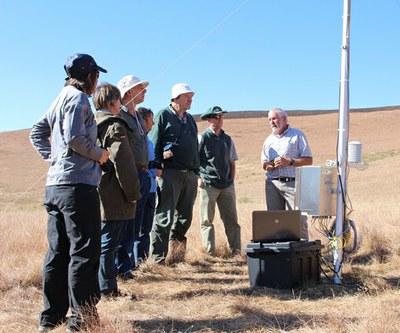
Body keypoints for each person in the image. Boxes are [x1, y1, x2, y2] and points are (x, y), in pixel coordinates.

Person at [29, 53, 109, 332]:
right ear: (89, 77)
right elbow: (76, 138)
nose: (97, 83)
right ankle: (82, 319)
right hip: (78, 187)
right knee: (85, 252)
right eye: (96, 77)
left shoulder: (58, 98)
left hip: (55, 187)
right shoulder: (78, 99)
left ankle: (51, 317)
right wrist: (100, 154)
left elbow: (36, 132)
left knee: (58, 252)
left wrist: (54, 158)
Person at [93, 83, 141, 298]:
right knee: (109, 243)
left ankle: (100, 286)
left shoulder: (90, 122)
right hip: (113, 191)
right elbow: (123, 162)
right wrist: (133, 193)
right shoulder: (115, 126)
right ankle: (107, 289)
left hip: (94, 188)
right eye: (119, 100)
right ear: (113, 101)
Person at [148, 83, 199, 265]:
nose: (190, 99)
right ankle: (158, 260)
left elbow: (194, 146)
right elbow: (154, 141)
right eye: (187, 96)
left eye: (191, 96)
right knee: (165, 216)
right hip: (170, 172)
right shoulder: (163, 115)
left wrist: (197, 171)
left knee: (185, 217)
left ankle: (177, 259)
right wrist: (156, 165)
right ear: (176, 98)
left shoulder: (190, 119)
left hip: (190, 174)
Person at [260, 107, 313, 239]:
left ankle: (303, 251)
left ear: (284, 119)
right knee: (275, 220)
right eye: (269, 120)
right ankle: (279, 254)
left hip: (292, 183)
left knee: (297, 219)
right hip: (272, 184)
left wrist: (289, 161)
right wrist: (268, 165)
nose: (272, 122)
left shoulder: (297, 135)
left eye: (274, 118)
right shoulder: (268, 140)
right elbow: (263, 162)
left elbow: (309, 160)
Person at [116, 75, 149, 278]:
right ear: (129, 92)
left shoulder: (136, 116)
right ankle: (120, 268)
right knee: (125, 222)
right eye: (140, 88)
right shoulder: (120, 116)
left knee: (136, 223)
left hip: (142, 173)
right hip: (130, 173)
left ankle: (128, 266)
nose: (144, 91)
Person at [198, 106, 241, 256]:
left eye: (221, 117)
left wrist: (231, 180)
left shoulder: (227, 139)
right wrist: (199, 178)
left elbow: (232, 162)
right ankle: (209, 254)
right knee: (206, 220)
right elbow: (194, 160)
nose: (220, 120)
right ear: (209, 119)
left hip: (227, 186)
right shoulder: (202, 137)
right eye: (216, 117)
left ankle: (236, 252)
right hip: (208, 183)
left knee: (232, 220)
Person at [134, 107, 159, 265]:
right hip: (141, 187)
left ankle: (143, 262)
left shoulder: (149, 140)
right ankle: (133, 263)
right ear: (143, 121)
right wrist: (152, 169)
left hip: (151, 188)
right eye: (150, 119)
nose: (153, 123)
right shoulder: (138, 140)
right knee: (137, 228)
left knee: (147, 228)